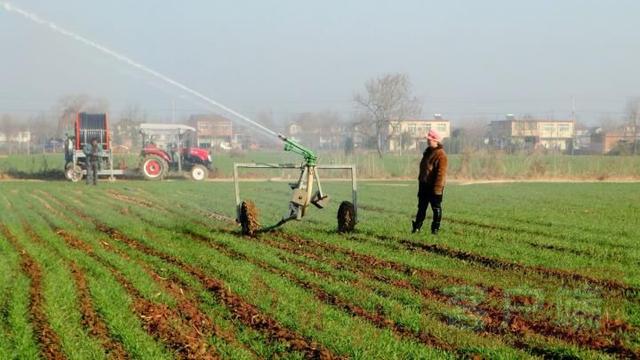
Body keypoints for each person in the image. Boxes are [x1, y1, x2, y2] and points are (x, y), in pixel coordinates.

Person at [412, 128, 448, 235]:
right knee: (421, 208)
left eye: (430, 139)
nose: (428, 141)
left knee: (436, 208)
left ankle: (435, 229)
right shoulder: (427, 152)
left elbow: (441, 174)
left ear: (436, 140)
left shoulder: (441, 155)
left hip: (435, 186)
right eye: (428, 139)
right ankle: (416, 227)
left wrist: (437, 189)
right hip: (424, 185)